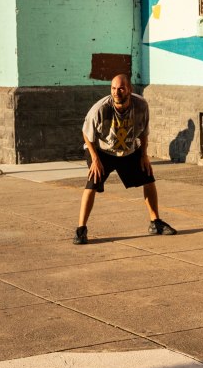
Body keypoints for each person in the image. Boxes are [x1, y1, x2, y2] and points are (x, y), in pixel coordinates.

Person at [74, 74, 177, 244]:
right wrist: (95, 160)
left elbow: (143, 133)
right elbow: (86, 134)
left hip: (127, 150)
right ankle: (81, 229)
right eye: (113, 88)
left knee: (148, 178)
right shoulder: (100, 109)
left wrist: (144, 155)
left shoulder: (141, 105)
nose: (116, 92)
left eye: (121, 88)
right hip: (101, 151)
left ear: (129, 89)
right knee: (92, 183)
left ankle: (155, 223)